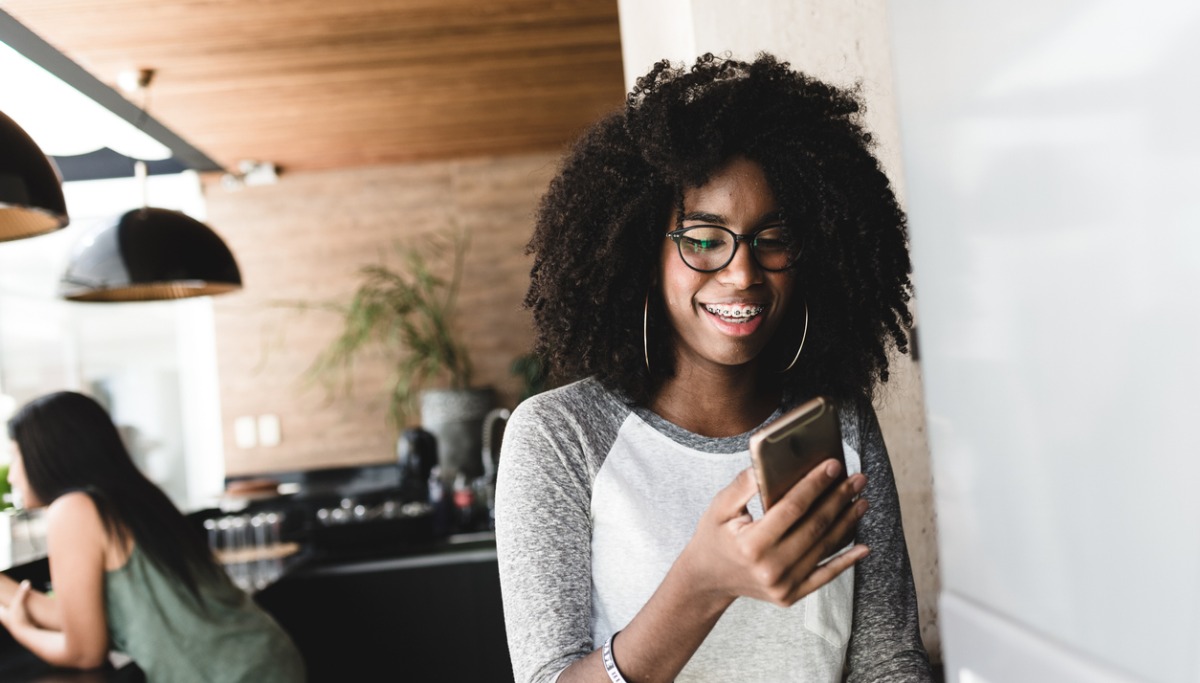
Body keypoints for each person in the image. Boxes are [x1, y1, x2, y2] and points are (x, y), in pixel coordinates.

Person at [495, 53, 933, 683]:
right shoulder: (561, 436)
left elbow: (888, 661)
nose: (743, 273)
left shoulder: (839, 423)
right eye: (704, 239)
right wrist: (701, 583)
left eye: (772, 239)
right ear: (645, 255)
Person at [0, 391, 306, 682]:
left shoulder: (72, 509)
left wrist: (22, 630)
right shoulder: (130, 498)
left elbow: (84, 652)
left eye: (15, 456)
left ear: (47, 455)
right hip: (262, 659)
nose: (11, 475)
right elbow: (76, 618)